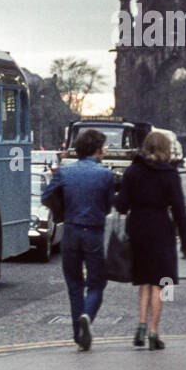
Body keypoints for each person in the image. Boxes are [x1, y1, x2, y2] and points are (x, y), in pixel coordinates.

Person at [41, 127, 115, 350]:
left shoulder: (65, 172)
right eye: (102, 146)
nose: (104, 150)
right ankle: (87, 316)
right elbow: (108, 204)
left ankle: (78, 334)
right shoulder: (105, 174)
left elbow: (46, 196)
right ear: (96, 149)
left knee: (74, 284)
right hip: (93, 232)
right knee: (97, 283)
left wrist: (63, 211)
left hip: (71, 231)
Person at [116, 131, 186, 350]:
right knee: (160, 281)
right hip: (161, 228)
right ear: (165, 149)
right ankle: (153, 332)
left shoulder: (133, 171)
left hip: (137, 227)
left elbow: (121, 205)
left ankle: (140, 326)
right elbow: (179, 209)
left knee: (144, 281)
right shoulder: (170, 174)